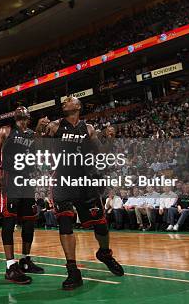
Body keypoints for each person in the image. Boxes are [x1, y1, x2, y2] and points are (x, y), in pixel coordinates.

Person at [36, 97, 124, 290]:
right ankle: (73, 270)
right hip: (63, 179)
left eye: (69, 100)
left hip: (86, 179)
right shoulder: (53, 126)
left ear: (77, 106)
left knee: (100, 225)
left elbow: (101, 154)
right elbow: (39, 149)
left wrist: (110, 138)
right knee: (65, 224)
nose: (64, 102)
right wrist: (38, 131)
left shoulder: (89, 129)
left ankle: (104, 253)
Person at [0, 106, 44, 284]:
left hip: (26, 179)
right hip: (9, 177)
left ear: (29, 117)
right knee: (9, 220)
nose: (21, 111)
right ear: (14, 116)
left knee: (29, 221)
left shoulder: (32, 134)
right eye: (18, 111)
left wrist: (40, 131)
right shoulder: (6, 131)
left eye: (25, 111)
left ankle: (25, 260)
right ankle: (10, 266)